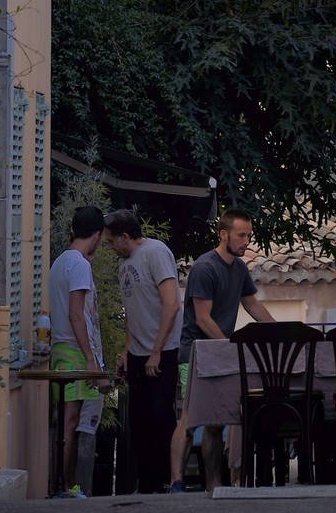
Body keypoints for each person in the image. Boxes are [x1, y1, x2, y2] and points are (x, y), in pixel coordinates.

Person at [168, 208, 274, 492]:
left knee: (215, 422)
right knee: (191, 418)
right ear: (224, 234)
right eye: (241, 235)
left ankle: (214, 486)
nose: (247, 241)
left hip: (220, 353)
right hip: (196, 353)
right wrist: (229, 347)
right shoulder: (205, 267)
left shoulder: (239, 268)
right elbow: (203, 318)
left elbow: (252, 304)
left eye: (249, 235)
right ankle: (176, 481)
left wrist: (279, 332)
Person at [103, 209, 184, 494]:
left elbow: (171, 304)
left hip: (161, 351)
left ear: (126, 237)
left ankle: (168, 480)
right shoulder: (124, 262)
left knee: (161, 417)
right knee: (138, 422)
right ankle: (147, 483)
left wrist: (156, 352)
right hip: (138, 353)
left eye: (112, 242)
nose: (110, 248)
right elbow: (132, 312)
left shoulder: (156, 252)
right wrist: (126, 352)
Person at [48, 205, 107, 497]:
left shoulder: (60, 261)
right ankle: (67, 487)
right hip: (74, 350)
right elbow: (77, 314)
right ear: (96, 235)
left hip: (59, 348)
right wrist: (90, 359)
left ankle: (63, 484)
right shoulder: (81, 264)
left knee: (64, 423)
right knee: (71, 423)